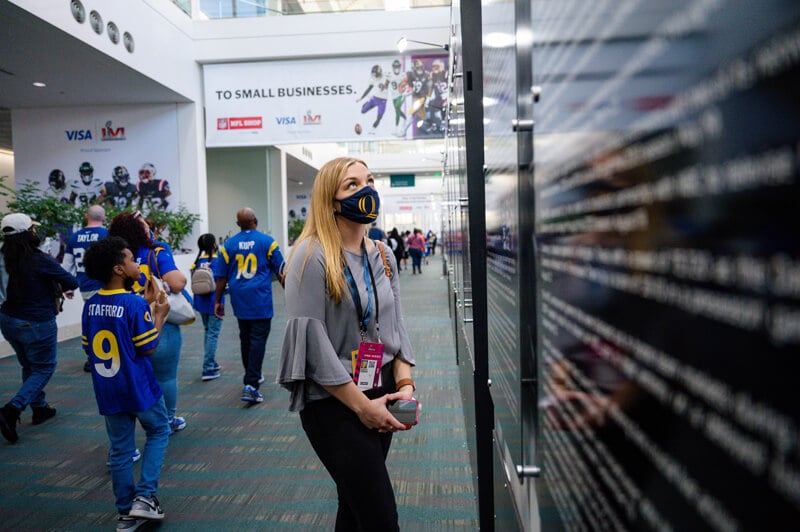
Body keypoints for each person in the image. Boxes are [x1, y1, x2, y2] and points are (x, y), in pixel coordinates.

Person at [278, 157, 416, 531]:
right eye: (352, 185)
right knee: (381, 517)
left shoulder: (383, 255)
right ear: (330, 201)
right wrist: (362, 408)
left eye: (369, 181)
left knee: (354, 507)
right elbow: (313, 345)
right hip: (335, 403)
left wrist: (404, 384)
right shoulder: (310, 255)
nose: (366, 190)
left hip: (382, 391)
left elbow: (395, 326)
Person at [82, 236, 171, 529]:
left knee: (120, 449)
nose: (137, 263)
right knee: (159, 430)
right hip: (138, 386)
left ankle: (125, 511)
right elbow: (147, 348)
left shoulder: (91, 305)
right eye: (132, 259)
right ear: (119, 269)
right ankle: (145, 497)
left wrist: (143, 306)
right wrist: (158, 315)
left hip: (108, 389)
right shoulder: (133, 304)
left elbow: (89, 347)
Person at [0, 213, 78, 443]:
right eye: (33, 229)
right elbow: (72, 282)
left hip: (7, 320)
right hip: (36, 322)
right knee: (44, 368)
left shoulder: (2, 257)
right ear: (27, 233)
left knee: (29, 365)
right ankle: (12, 409)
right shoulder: (38, 259)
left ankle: (40, 407)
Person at [109, 212, 188, 435]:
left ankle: (125, 438)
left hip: (121, 325)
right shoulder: (155, 251)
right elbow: (177, 282)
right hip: (156, 320)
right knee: (165, 376)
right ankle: (168, 420)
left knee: (128, 380)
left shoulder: (112, 257)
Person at [214, 207, 285, 404]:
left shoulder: (229, 244)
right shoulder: (268, 242)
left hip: (239, 300)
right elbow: (281, 272)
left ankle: (252, 375)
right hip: (260, 300)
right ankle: (251, 384)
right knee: (257, 341)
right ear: (256, 220)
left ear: (238, 224)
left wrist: (218, 301)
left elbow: (221, 277)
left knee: (246, 338)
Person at [61, 205, 109, 371]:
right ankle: (105, 354)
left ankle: (92, 356)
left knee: (92, 319)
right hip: (106, 285)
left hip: (85, 287)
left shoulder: (74, 237)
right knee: (107, 321)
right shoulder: (107, 234)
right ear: (104, 218)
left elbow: (66, 266)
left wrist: (67, 287)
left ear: (86, 216)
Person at [191, 233, 224, 381]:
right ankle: (208, 367)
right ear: (214, 245)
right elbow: (222, 281)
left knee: (207, 331)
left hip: (200, 302)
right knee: (213, 334)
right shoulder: (219, 261)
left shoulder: (197, 262)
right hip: (214, 302)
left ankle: (211, 361)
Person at [356, 65, 389, 133]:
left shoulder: (386, 76)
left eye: (376, 74)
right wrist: (361, 98)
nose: (374, 76)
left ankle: (372, 130)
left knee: (379, 118)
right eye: (374, 74)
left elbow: (393, 80)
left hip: (383, 100)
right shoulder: (373, 79)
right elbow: (369, 89)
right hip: (375, 98)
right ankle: (368, 103)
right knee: (362, 111)